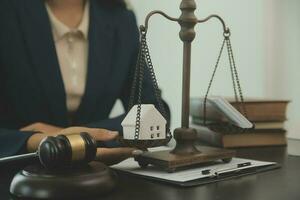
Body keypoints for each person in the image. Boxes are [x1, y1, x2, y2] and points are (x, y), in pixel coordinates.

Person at [0, 0, 170, 165]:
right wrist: (33, 141)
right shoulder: (6, 12)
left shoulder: (120, 17)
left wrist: (74, 139)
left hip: (94, 175)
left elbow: (154, 110)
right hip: (15, 173)